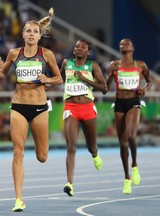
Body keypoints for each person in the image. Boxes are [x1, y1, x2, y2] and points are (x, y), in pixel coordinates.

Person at [0, 8, 63, 212]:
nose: (31, 34)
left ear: (40, 36)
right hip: (18, 106)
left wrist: (47, 79)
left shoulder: (47, 54)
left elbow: (59, 78)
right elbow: (3, 75)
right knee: (18, 151)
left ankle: (39, 148)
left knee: (42, 156)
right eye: (28, 31)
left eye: (35, 31)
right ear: (23, 34)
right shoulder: (15, 53)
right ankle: (18, 198)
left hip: (40, 107)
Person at [60, 39, 108, 197]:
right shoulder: (66, 63)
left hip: (87, 108)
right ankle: (70, 184)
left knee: (91, 146)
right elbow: (60, 79)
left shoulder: (93, 66)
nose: (79, 49)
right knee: (71, 146)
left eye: (83, 47)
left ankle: (95, 154)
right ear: (74, 50)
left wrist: (84, 78)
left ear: (88, 52)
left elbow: (104, 89)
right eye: (76, 47)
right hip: (70, 108)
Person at [105, 38, 152, 194]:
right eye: (121, 44)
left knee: (131, 135)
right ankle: (127, 178)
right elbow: (105, 86)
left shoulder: (141, 65)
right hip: (119, 103)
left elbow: (149, 81)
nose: (123, 45)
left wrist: (144, 89)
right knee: (122, 143)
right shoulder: (114, 65)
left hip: (133, 102)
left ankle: (135, 164)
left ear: (133, 48)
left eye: (126, 44)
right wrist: (111, 74)